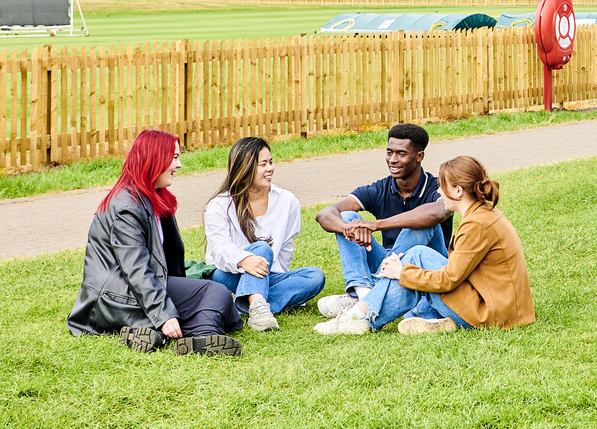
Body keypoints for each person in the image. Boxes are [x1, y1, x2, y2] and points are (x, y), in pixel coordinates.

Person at [67, 129, 241, 355]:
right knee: (216, 293)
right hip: (116, 295)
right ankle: (204, 335)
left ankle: (153, 335)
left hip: (138, 288)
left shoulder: (155, 197)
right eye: (175, 158)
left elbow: (166, 260)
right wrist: (165, 314)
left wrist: (182, 294)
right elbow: (135, 268)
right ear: (154, 159)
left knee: (215, 296)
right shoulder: (127, 206)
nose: (179, 165)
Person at [317, 156, 536, 334]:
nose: (439, 191)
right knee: (417, 263)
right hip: (502, 309)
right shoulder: (484, 214)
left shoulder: (477, 224)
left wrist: (402, 272)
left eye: (443, 186)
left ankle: (358, 316)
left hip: (492, 315)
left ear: (458, 191)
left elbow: (448, 280)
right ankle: (431, 318)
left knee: (419, 255)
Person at [313, 123, 451, 317]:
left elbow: (437, 212)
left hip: (427, 267)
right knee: (346, 217)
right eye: (389, 152)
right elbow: (325, 214)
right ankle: (364, 294)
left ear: (419, 156)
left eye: (401, 154)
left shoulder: (437, 186)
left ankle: (369, 299)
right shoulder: (381, 188)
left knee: (419, 226)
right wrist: (350, 228)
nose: (393, 160)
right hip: (387, 265)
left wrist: (376, 225)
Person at [203, 136, 326, 331]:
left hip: (267, 275)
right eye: (263, 164)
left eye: (270, 162)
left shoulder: (287, 201)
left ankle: (243, 304)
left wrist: (267, 275)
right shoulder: (219, 205)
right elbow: (220, 250)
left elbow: (285, 249)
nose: (270, 168)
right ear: (245, 168)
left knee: (315, 277)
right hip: (226, 274)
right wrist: (245, 260)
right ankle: (259, 309)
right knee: (261, 248)